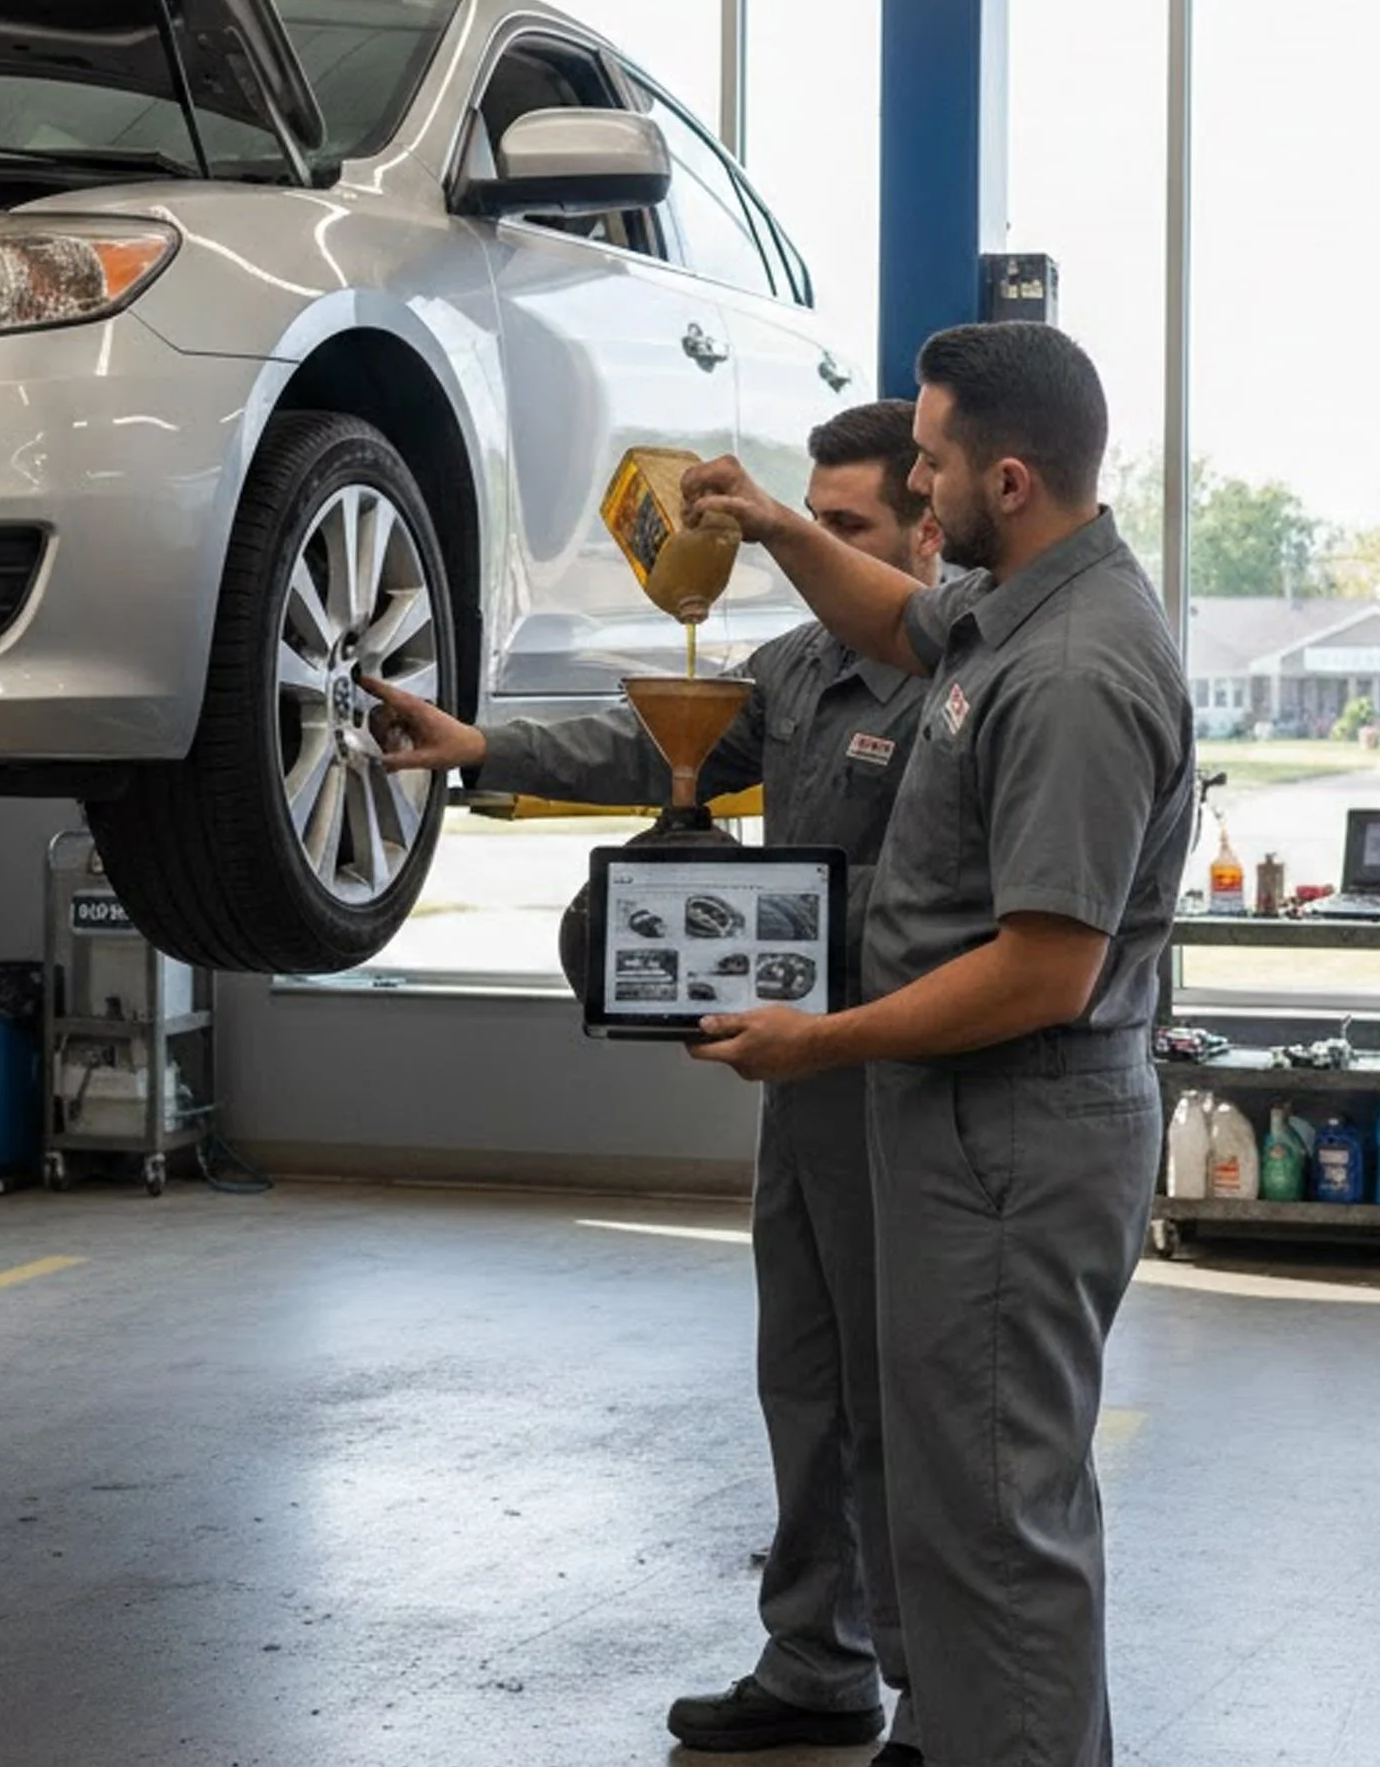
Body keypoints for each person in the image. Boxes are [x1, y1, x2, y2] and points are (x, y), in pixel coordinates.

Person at [366, 401, 940, 1763]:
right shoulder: (797, 669)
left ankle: (938, 1691)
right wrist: (483, 745)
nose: (809, 550)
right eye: (807, 520)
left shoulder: (960, 681)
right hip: (795, 1084)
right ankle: (817, 1660)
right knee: (801, 1380)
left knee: (894, 1397)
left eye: (839, 528)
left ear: (924, 530)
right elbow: (661, 744)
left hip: (906, 1090)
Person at [676, 323, 1196, 1767]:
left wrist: (822, 1039)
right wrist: (780, 527)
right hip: (963, 1127)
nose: (913, 482)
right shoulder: (1008, 606)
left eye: (931, 459)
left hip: (1017, 1133)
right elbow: (894, 623)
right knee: (955, 1502)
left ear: (1009, 478)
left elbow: (1045, 967)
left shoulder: (1081, 669)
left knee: (996, 1513)